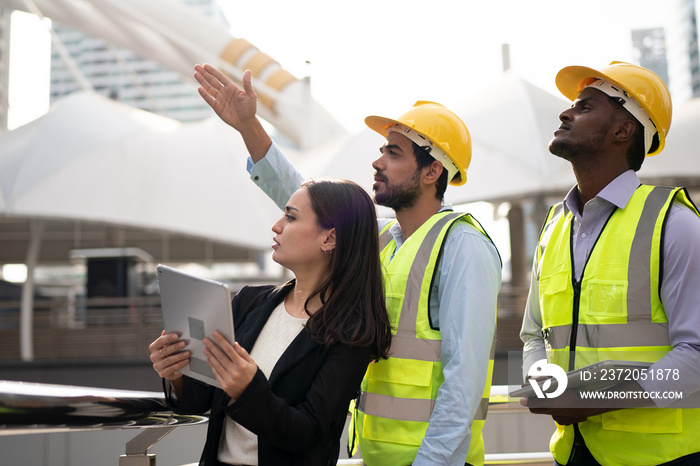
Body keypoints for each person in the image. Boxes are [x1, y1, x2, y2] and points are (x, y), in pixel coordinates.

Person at [193, 63, 502, 466]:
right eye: (381, 151)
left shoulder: (464, 247)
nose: (377, 163)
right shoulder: (388, 240)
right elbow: (309, 204)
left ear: (433, 171)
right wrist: (249, 127)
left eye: (393, 153)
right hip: (376, 457)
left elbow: (464, 379)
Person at [519, 61, 700, 466]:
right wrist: (545, 385)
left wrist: (593, 399)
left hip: (662, 459)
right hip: (573, 454)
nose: (566, 113)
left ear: (623, 130)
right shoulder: (553, 228)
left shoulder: (675, 224)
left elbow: (697, 354)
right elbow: (534, 334)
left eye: (584, 107)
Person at [149, 178, 392, 466]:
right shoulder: (250, 302)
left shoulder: (352, 334)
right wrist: (176, 373)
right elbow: (199, 401)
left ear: (330, 238)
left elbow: (306, 433)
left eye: (290, 217)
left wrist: (247, 389)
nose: (276, 226)